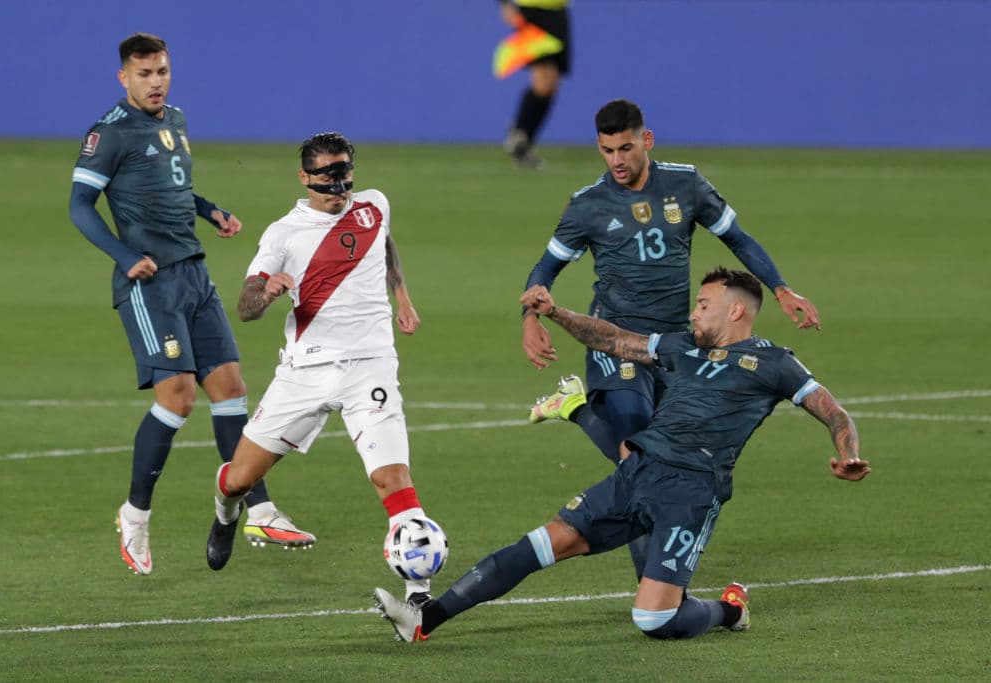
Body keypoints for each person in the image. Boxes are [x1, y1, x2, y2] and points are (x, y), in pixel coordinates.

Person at [374, 267, 870, 642]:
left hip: (691, 492)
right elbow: (614, 340)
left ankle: (730, 609)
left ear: (735, 310)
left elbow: (835, 413)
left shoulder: (775, 362)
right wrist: (556, 312)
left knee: (653, 618)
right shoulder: (681, 347)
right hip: (637, 472)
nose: (693, 312)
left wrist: (848, 454)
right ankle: (424, 621)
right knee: (542, 543)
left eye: (703, 304)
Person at [522, 99, 822, 575]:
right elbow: (546, 268)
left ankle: (576, 408)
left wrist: (781, 289)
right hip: (613, 341)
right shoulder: (588, 204)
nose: (616, 160)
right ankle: (654, 585)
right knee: (636, 454)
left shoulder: (686, 184)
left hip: (675, 344)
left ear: (647, 139)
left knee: (656, 458)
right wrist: (531, 317)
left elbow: (738, 238)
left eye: (625, 147)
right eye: (606, 150)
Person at [69, 33, 313, 576]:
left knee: (230, 389)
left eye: (162, 71)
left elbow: (173, 187)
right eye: (144, 74)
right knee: (177, 399)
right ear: (123, 78)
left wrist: (210, 210)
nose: (156, 82)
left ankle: (262, 508)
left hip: (194, 273)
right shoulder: (107, 133)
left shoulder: (174, 120)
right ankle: (134, 515)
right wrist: (123, 254)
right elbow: (80, 205)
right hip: (149, 283)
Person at [204, 132, 434, 607]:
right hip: (304, 373)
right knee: (240, 479)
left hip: (370, 368)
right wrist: (266, 295)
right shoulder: (282, 234)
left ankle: (419, 596)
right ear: (305, 177)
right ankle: (226, 514)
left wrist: (403, 297)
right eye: (328, 174)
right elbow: (245, 305)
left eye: (345, 170)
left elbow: (385, 244)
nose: (340, 182)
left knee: (393, 481)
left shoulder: (373, 204)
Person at [499, 0, 572, 168]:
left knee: (551, 85)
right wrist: (504, 4)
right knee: (542, 82)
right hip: (532, 12)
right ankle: (519, 135)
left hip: (558, 11)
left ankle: (522, 139)